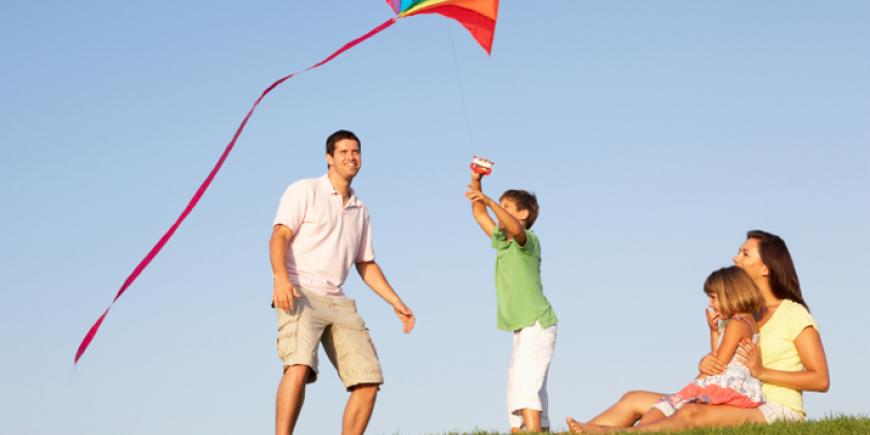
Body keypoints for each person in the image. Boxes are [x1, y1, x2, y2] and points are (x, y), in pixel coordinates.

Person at [566, 230, 829, 432]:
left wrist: (762, 372)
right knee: (633, 399)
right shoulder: (741, 315)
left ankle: (610, 434)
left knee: (691, 414)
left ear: (765, 268)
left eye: (745, 254)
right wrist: (707, 360)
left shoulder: (793, 314)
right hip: (733, 397)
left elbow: (820, 380)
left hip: (775, 408)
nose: (735, 258)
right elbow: (724, 365)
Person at [269, 130, 415, 435]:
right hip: (299, 291)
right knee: (298, 365)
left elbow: (365, 263)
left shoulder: (360, 210)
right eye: (344, 152)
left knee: (368, 381)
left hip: (337, 298)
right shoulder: (305, 190)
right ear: (329, 158)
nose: (351, 157)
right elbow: (280, 235)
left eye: (356, 152)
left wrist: (396, 301)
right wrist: (281, 278)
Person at [465, 169, 558, 432]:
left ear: (523, 214)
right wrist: (477, 183)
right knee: (517, 384)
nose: (498, 211)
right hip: (523, 326)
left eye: (506, 207)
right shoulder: (502, 242)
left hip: (537, 322)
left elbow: (514, 228)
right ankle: (524, 430)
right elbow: (479, 213)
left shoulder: (527, 241)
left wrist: (491, 201)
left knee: (527, 383)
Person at [642, 266, 764, 426]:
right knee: (665, 408)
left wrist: (696, 381)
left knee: (662, 409)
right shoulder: (747, 321)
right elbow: (719, 355)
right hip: (729, 382)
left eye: (713, 297)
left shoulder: (737, 324)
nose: (710, 304)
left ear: (730, 294)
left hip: (729, 385)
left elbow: (718, 363)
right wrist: (714, 331)